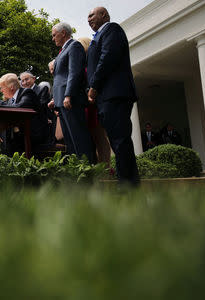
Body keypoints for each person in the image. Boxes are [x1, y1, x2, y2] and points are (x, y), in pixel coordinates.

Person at [86, 7, 139, 185]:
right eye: (87, 17)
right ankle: (127, 182)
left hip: (115, 94)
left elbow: (107, 57)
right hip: (106, 97)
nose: (89, 19)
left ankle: (128, 186)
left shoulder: (112, 29)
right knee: (117, 142)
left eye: (92, 15)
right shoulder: (98, 36)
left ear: (105, 16)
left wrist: (94, 86)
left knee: (120, 141)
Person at [48, 22, 94, 162]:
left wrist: (68, 95)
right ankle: (78, 169)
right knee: (69, 140)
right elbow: (60, 78)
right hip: (61, 101)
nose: (53, 38)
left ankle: (88, 169)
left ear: (63, 33)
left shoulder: (74, 46)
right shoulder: (62, 51)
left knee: (78, 137)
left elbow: (74, 73)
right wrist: (56, 99)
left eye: (54, 35)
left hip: (71, 100)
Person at [78, 36, 111, 165]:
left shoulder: (92, 63)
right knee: (92, 139)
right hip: (86, 106)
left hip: (94, 104)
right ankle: (98, 165)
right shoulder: (81, 64)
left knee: (100, 138)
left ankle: (106, 167)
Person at [0, 73, 49, 154]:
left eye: (2, 87)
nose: (1, 90)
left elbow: (20, 108)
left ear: (11, 87)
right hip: (19, 136)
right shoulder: (10, 101)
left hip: (33, 136)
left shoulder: (27, 93)